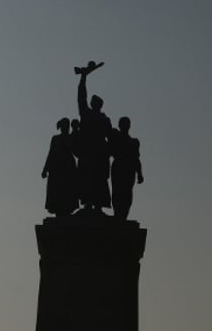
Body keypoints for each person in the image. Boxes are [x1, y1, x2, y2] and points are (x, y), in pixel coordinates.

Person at [74, 61, 112, 213]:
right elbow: (81, 96)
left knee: (98, 180)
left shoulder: (102, 119)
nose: (91, 103)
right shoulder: (88, 114)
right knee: (87, 178)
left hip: (98, 153)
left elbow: (110, 136)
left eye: (94, 102)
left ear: (98, 104)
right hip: (89, 152)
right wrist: (83, 77)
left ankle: (96, 205)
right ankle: (89, 205)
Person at [41, 118, 78, 217]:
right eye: (63, 126)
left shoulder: (70, 138)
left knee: (67, 190)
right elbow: (51, 154)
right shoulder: (56, 139)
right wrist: (45, 169)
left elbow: (75, 150)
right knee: (57, 192)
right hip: (57, 168)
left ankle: (66, 211)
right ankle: (59, 212)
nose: (65, 128)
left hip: (67, 169)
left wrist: (75, 132)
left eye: (66, 126)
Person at [109, 116, 144, 220]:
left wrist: (140, 173)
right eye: (122, 124)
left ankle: (122, 216)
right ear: (120, 126)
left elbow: (136, 159)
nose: (124, 126)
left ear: (129, 126)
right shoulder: (115, 137)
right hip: (118, 169)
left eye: (126, 124)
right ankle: (118, 215)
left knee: (127, 194)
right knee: (117, 193)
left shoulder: (134, 142)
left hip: (129, 170)